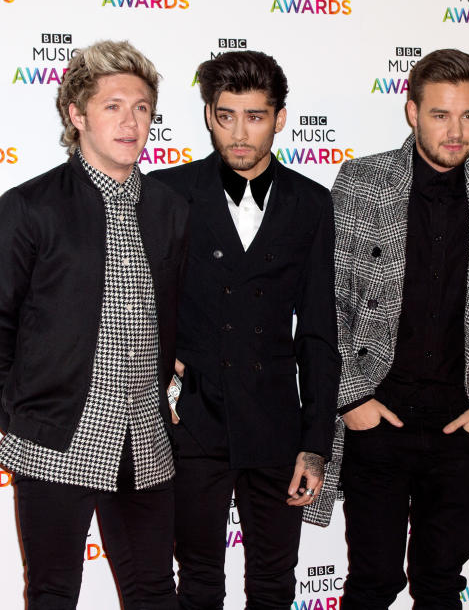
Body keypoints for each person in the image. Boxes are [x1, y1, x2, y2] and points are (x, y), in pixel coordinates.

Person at [0, 40, 186, 609]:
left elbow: (180, 312)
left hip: (145, 435)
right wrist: (20, 413)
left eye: (141, 107)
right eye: (112, 105)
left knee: (154, 591)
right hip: (56, 437)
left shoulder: (168, 209)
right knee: (54, 592)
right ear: (76, 114)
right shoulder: (28, 207)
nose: (129, 121)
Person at [304, 48, 469, 609]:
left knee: (441, 585)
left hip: (460, 422)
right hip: (379, 417)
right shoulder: (362, 180)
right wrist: (352, 398)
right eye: (440, 115)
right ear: (412, 112)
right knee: (372, 582)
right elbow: (328, 299)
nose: (456, 132)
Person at [149, 50, 340, 609]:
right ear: (208, 114)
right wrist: (165, 376)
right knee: (199, 579)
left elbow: (320, 332)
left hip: (275, 423)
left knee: (276, 581)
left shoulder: (312, 202)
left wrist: (315, 445)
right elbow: (134, 306)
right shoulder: (167, 193)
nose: (239, 132)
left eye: (255, 116)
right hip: (192, 423)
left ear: (280, 118)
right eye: (226, 114)